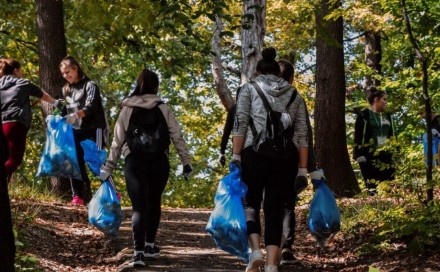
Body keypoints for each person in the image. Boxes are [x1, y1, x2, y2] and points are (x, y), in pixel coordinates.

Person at [99, 68, 192, 268]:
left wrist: (109, 167)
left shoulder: (128, 108)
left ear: (138, 85)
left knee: (139, 206)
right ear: (156, 86)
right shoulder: (163, 107)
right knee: (154, 202)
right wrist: (186, 161)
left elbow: (117, 140)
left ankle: (138, 253)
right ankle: (150, 245)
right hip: (159, 161)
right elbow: (177, 135)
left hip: (134, 162)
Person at [232, 48, 308, 272]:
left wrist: (236, 155)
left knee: (250, 203)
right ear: (278, 72)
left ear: (258, 71)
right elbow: (301, 134)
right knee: (275, 207)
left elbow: (241, 122)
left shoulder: (248, 89)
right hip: (285, 158)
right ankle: (272, 265)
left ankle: (255, 251)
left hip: (253, 154)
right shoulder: (295, 95)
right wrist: (302, 169)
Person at [277, 59, 325, 264]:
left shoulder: (259, 95)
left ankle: (269, 248)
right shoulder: (297, 98)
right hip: (291, 156)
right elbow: (305, 133)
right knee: (288, 204)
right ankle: (286, 247)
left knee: (270, 203)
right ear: (291, 77)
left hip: (264, 156)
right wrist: (310, 168)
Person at [0, 58, 61, 180]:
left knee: (4, 159)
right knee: (14, 160)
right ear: (16, 70)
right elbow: (43, 95)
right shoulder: (23, 83)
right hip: (15, 125)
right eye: (20, 70)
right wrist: (57, 103)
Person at [59, 56, 108, 205]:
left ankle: (111, 192)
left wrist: (76, 114)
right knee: (75, 162)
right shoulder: (66, 90)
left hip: (95, 130)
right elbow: (65, 110)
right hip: (76, 131)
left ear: (75, 68)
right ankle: (77, 197)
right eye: (63, 74)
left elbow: (92, 106)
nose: (66, 76)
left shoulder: (90, 85)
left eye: (68, 72)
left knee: (97, 161)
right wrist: (58, 117)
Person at [354, 88, 396, 195]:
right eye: (384, 99)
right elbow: (358, 135)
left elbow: (393, 134)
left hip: (387, 155)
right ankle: (374, 208)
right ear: (376, 99)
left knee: (389, 185)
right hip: (370, 155)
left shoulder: (388, 116)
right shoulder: (364, 115)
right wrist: (358, 154)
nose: (386, 102)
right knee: (372, 187)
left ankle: (389, 208)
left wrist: (396, 150)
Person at [219, 87, 241, 167]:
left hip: (239, 149)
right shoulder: (257, 107)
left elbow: (226, 132)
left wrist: (222, 152)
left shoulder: (235, 109)